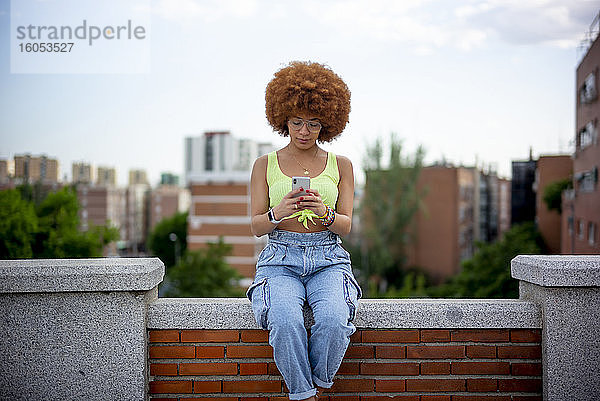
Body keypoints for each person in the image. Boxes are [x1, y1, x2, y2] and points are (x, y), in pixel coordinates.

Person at [246, 61, 362, 401]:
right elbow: (255, 226)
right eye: (297, 122)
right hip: (280, 257)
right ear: (283, 118)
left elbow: (347, 225)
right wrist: (277, 212)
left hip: (328, 257)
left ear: (327, 123)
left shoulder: (342, 165)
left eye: (313, 123)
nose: (304, 131)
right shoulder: (263, 164)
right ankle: (305, 396)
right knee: (284, 321)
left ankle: (316, 385)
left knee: (334, 321)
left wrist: (324, 213)